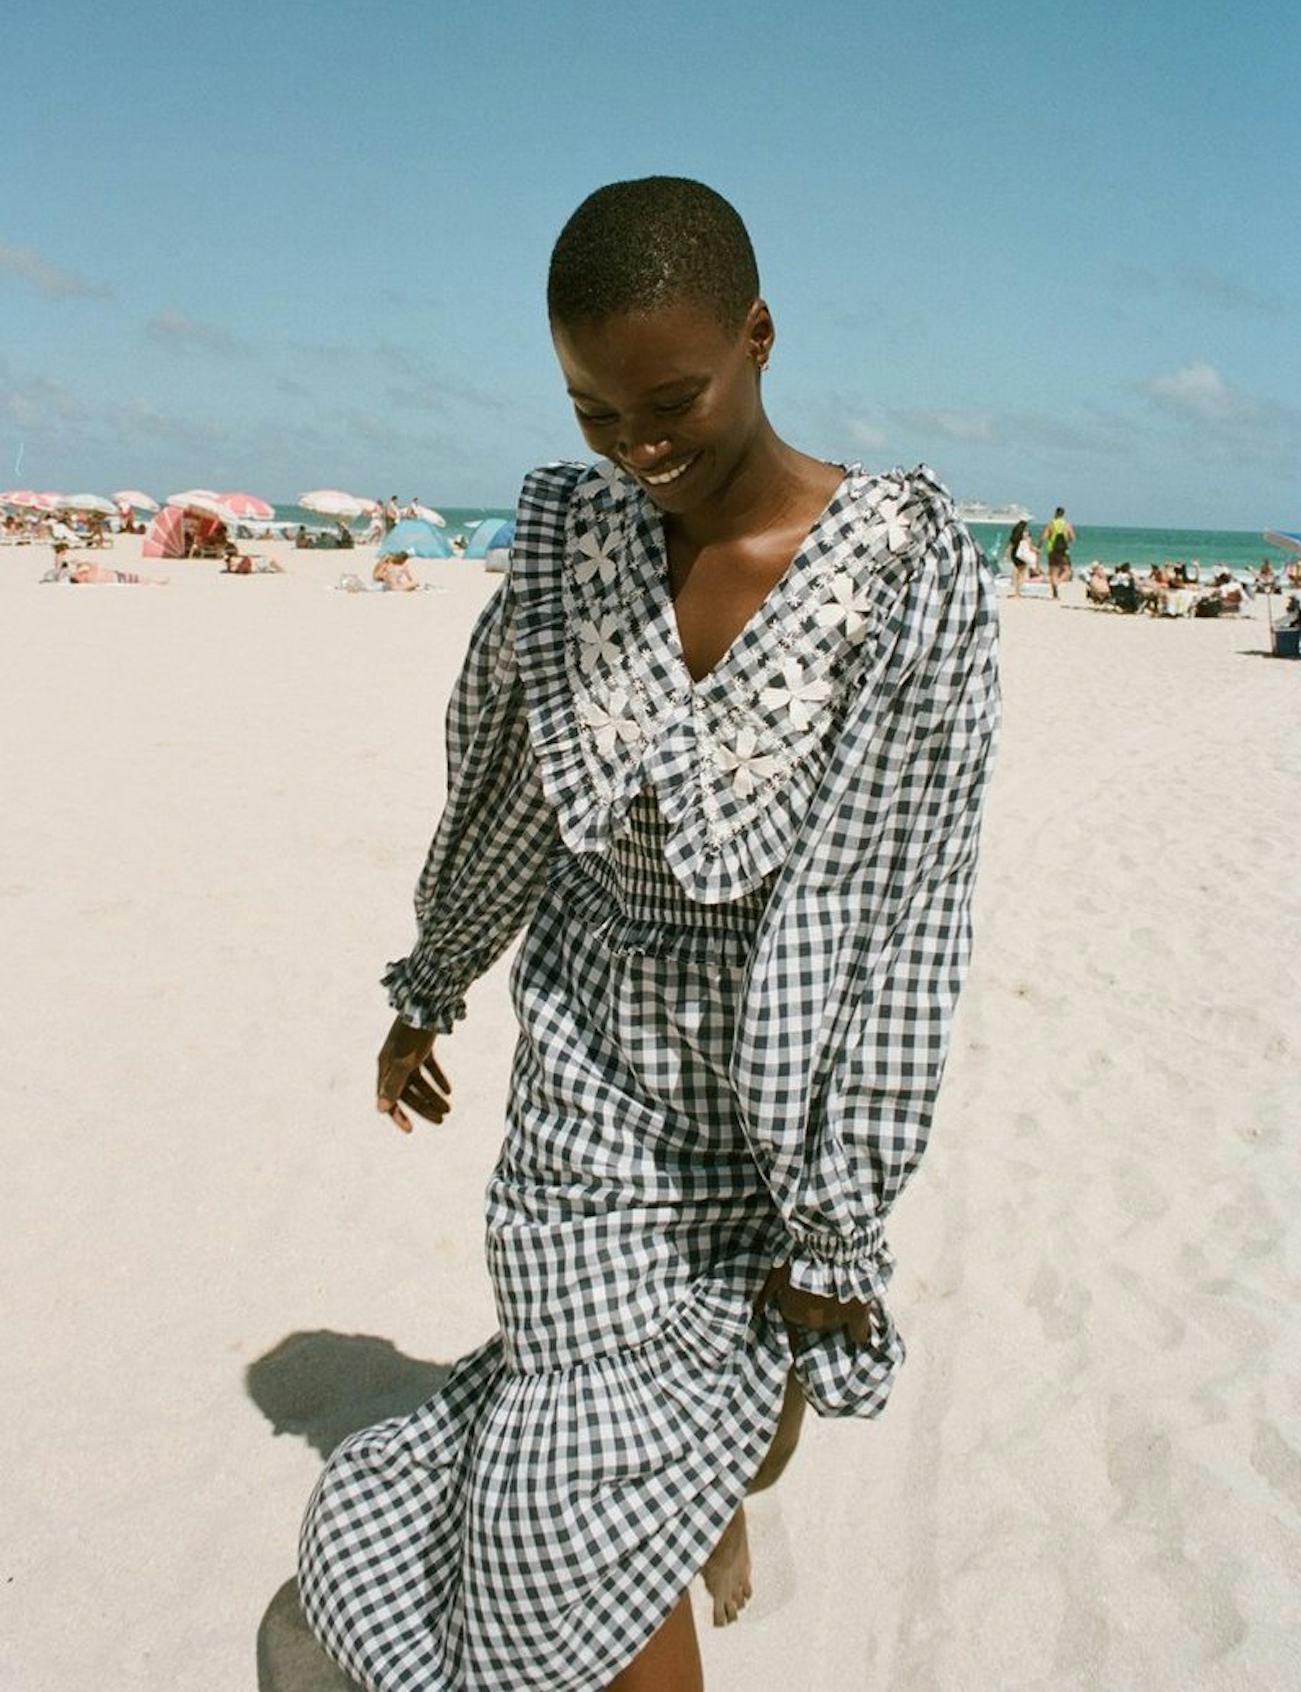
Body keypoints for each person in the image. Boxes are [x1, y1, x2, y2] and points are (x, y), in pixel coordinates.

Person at [296, 176, 1001, 1692]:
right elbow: (501, 780)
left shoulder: (901, 568)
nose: (637, 448)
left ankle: (701, 1511)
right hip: (588, 1069)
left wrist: (836, 1215)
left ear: (758, 336)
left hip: (775, 1095)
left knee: (729, 1433)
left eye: (670, 402)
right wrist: (432, 983)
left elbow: (894, 910)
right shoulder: (571, 545)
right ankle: (645, 1551)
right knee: (559, 1496)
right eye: (593, 412)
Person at [1040, 505, 1075, 600]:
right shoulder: (1067, 525)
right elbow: (1073, 538)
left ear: (1055, 513)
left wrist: (1039, 546)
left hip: (1052, 550)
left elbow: (1043, 537)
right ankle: (1058, 582)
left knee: (1053, 572)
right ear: (1063, 514)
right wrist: (1066, 540)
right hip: (1064, 551)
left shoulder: (1051, 524)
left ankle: (1055, 594)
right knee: (1067, 570)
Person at [1004, 517, 1036, 596]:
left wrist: (1006, 554)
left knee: (1017, 570)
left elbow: (1010, 545)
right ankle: (1017, 591)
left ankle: (1016, 590)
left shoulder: (1015, 534)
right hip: (1022, 553)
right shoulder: (1025, 533)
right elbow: (1029, 544)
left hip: (1014, 553)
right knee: (1021, 573)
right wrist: (1035, 550)